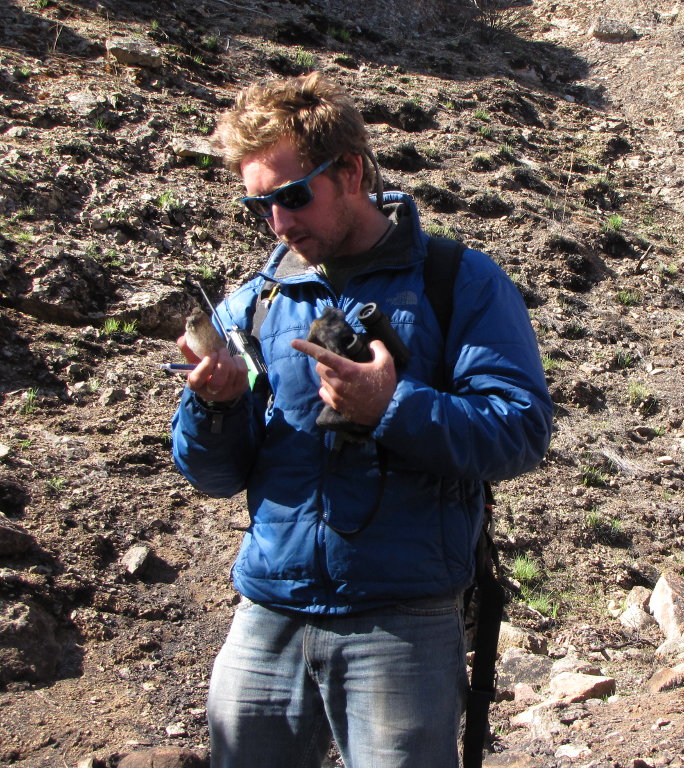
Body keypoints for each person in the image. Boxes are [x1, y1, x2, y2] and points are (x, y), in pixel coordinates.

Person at [171, 72, 553, 768]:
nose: (280, 223)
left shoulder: (457, 281)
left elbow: (518, 430)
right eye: (259, 207)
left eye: (292, 197)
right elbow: (212, 474)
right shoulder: (252, 305)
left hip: (401, 622)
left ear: (348, 171)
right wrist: (214, 405)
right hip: (269, 612)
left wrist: (392, 407)